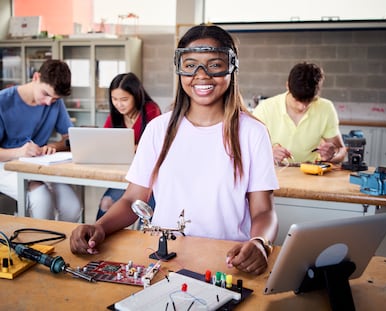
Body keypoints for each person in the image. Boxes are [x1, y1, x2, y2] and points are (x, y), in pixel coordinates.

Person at [70, 24, 279, 275]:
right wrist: (100, 227)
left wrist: (259, 243)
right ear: (179, 69)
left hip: (227, 261)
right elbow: (132, 200)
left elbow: (263, 210)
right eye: (190, 65)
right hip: (164, 259)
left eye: (214, 64)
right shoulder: (159, 129)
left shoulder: (252, 133)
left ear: (232, 67)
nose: (201, 75)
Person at [0, 59, 82, 222]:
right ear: (36, 77)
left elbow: (70, 139)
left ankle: (64, 244)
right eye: (46, 94)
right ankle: (41, 245)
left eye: (54, 99)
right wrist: (20, 151)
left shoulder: (55, 103)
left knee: (72, 207)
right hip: (6, 162)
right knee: (41, 197)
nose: (48, 102)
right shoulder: (3, 101)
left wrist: (53, 146)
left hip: (39, 163)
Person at [253, 62, 346, 165]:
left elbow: (341, 151)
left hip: (311, 175)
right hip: (274, 175)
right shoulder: (265, 109)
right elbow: (245, 151)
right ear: (287, 86)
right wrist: (268, 154)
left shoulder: (326, 108)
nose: (302, 107)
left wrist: (331, 156)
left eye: (309, 101)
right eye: (297, 101)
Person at [96, 72, 161, 220]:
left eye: (124, 99)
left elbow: (155, 146)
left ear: (136, 96)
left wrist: (133, 148)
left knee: (143, 210)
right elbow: (104, 141)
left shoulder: (151, 110)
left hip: (145, 176)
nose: (119, 104)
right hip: (122, 173)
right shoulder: (115, 115)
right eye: (114, 99)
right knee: (106, 203)